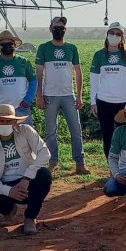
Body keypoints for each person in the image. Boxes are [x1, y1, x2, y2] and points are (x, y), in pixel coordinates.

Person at [0, 104, 52, 235]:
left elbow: (44, 152)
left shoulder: (26, 131)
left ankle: (30, 218)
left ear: (15, 121)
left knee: (44, 175)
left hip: (26, 183)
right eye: (1, 120)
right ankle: (7, 209)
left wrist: (27, 178)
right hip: (4, 186)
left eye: (8, 121)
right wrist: (8, 191)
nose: (4, 124)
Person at [35, 16, 90, 174]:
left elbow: (78, 72)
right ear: (50, 28)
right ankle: (53, 162)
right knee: (51, 131)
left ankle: (80, 163)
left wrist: (79, 95)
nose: (59, 30)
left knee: (76, 130)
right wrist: (39, 95)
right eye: (56, 27)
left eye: (62, 28)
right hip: (50, 95)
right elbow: (39, 73)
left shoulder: (71, 48)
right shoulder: (43, 48)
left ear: (65, 30)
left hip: (68, 95)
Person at [90, 22, 126, 159]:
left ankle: (125, 162)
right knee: (108, 135)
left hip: (124, 101)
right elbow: (94, 79)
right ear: (107, 35)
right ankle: (112, 165)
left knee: (125, 133)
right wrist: (93, 102)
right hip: (104, 101)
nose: (114, 36)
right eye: (112, 33)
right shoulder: (99, 55)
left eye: (118, 34)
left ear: (122, 37)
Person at [0, 30, 38, 125]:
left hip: (21, 107)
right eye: (3, 44)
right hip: (1, 108)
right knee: (4, 134)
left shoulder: (24, 62)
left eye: (10, 44)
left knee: (26, 134)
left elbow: (33, 80)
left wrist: (28, 99)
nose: (7, 46)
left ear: (15, 45)